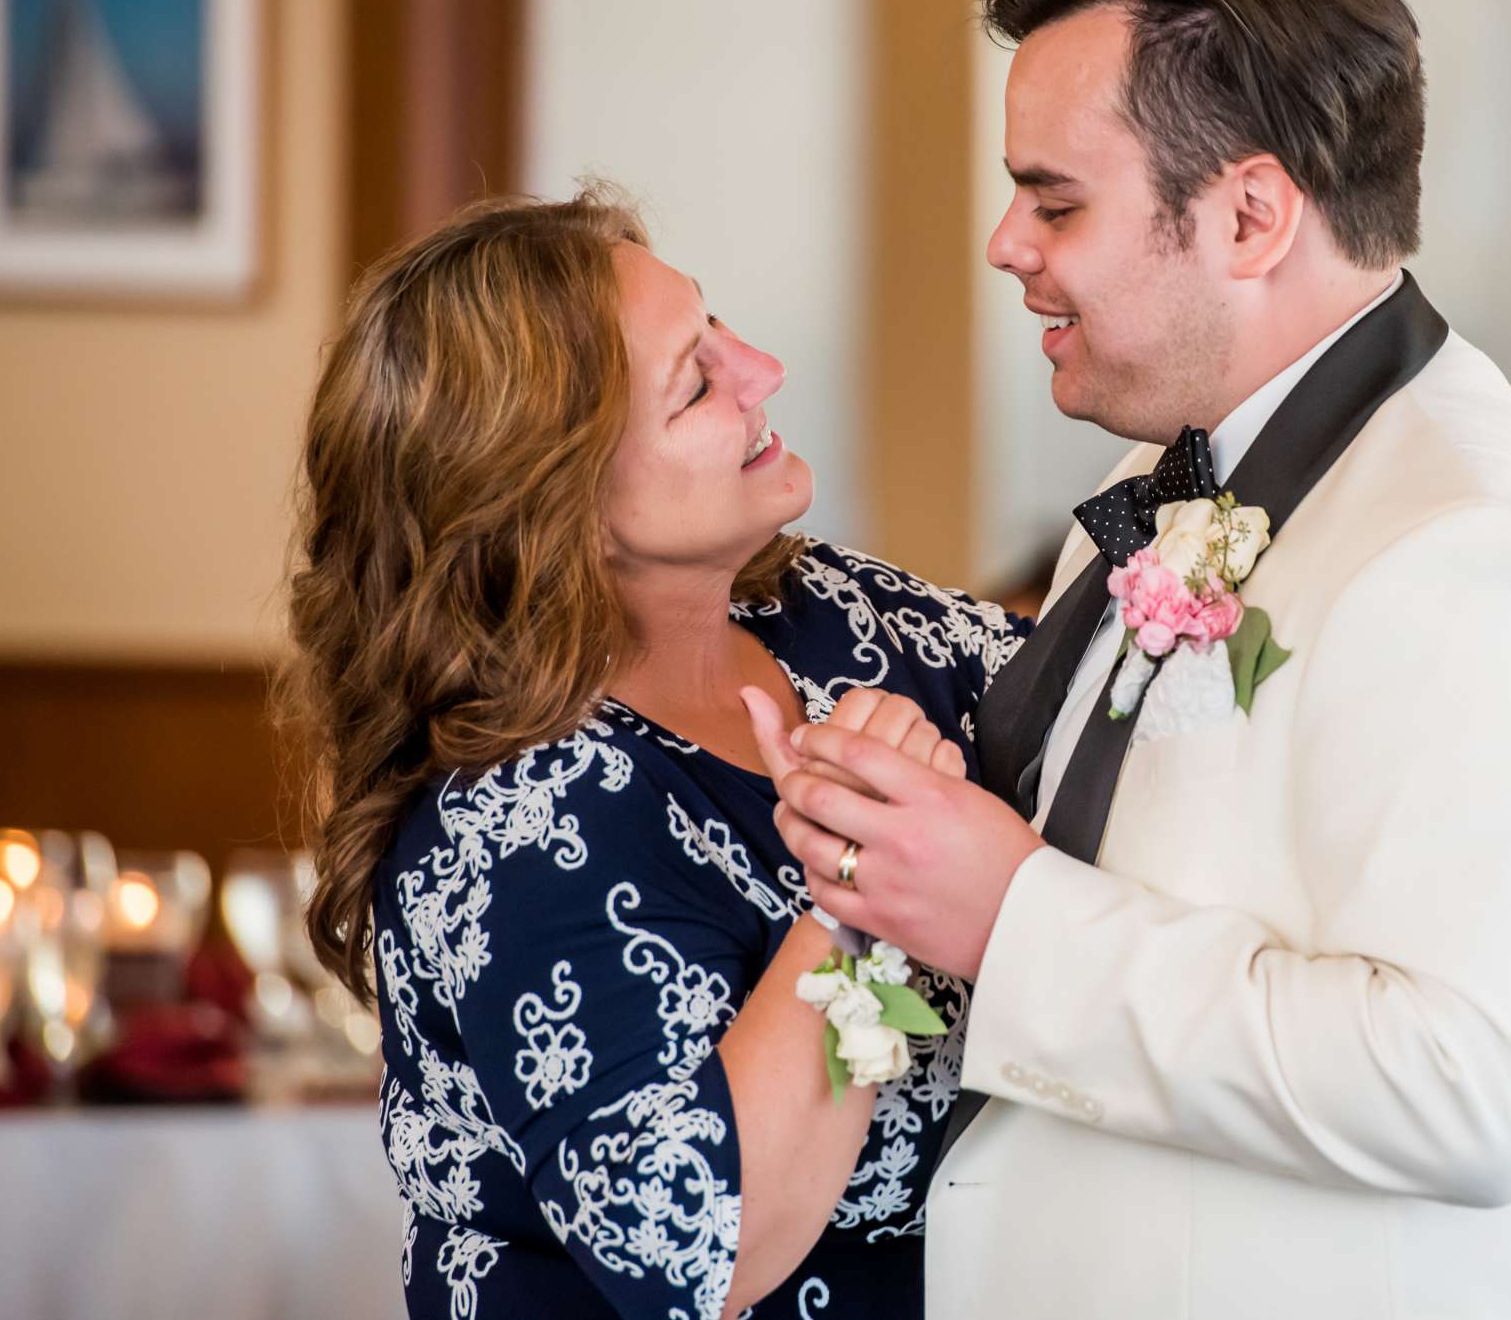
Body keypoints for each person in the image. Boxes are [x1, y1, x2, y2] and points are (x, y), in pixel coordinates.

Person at [766, 0, 1511, 1319]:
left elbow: (1467, 1088)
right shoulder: (1167, 477)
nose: (1007, 242)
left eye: (1057, 199)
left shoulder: (1479, 545)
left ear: (1252, 214)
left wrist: (1009, 914)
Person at [283, 190, 1026, 1320]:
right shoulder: (514, 825)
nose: (764, 369)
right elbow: (699, 1248)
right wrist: (855, 898)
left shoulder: (830, 609)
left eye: (719, 328)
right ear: (561, 505)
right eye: (696, 381)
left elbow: (1098, 735)